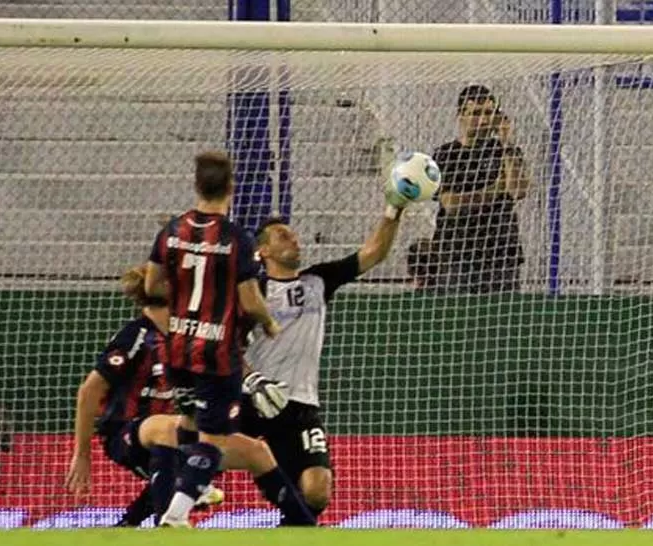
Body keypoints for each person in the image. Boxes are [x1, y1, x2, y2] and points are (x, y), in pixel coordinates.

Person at [145, 151, 310, 527]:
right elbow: (251, 300)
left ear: (196, 185)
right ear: (231, 188)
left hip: (177, 349)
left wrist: (185, 297)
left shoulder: (171, 230)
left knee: (187, 421)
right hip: (216, 353)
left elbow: (153, 284)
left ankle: (195, 486)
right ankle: (176, 513)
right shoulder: (236, 239)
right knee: (213, 439)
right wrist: (268, 322)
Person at [239, 182, 411, 525]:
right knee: (199, 455)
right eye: (283, 236)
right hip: (254, 399)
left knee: (317, 490)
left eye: (294, 234)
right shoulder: (252, 291)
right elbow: (229, 347)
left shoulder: (318, 280)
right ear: (264, 251)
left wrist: (394, 210)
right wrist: (252, 380)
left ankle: (292, 528)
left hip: (300, 404)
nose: (294, 239)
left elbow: (373, 252)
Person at [63, 265, 223, 526]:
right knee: (168, 428)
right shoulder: (136, 336)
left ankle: (127, 526)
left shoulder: (186, 337)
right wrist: (82, 454)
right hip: (123, 431)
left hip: (170, 434)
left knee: (232, 444)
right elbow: (88, 392)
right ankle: (171, 523)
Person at [430, 84, 531, 293]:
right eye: (476, 113)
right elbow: (452, 204)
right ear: (461, 116)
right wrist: (495, 190)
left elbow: (517, 189)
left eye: (489, 113)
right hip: (458, 254)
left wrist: (506, 141)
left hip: (502, 253)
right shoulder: (445, 154)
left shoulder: (504, 151)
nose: (484, 120)